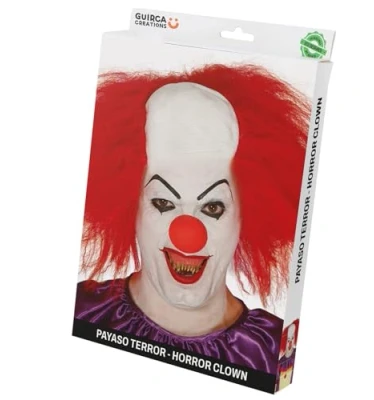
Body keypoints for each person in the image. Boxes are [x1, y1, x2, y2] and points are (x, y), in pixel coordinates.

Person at [74, 64, 309, 375]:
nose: (188, 234)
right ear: (130, 209)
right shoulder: (81, 312)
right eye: (163, 203)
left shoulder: (273, 354)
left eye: (213, 207)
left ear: (246, 216)